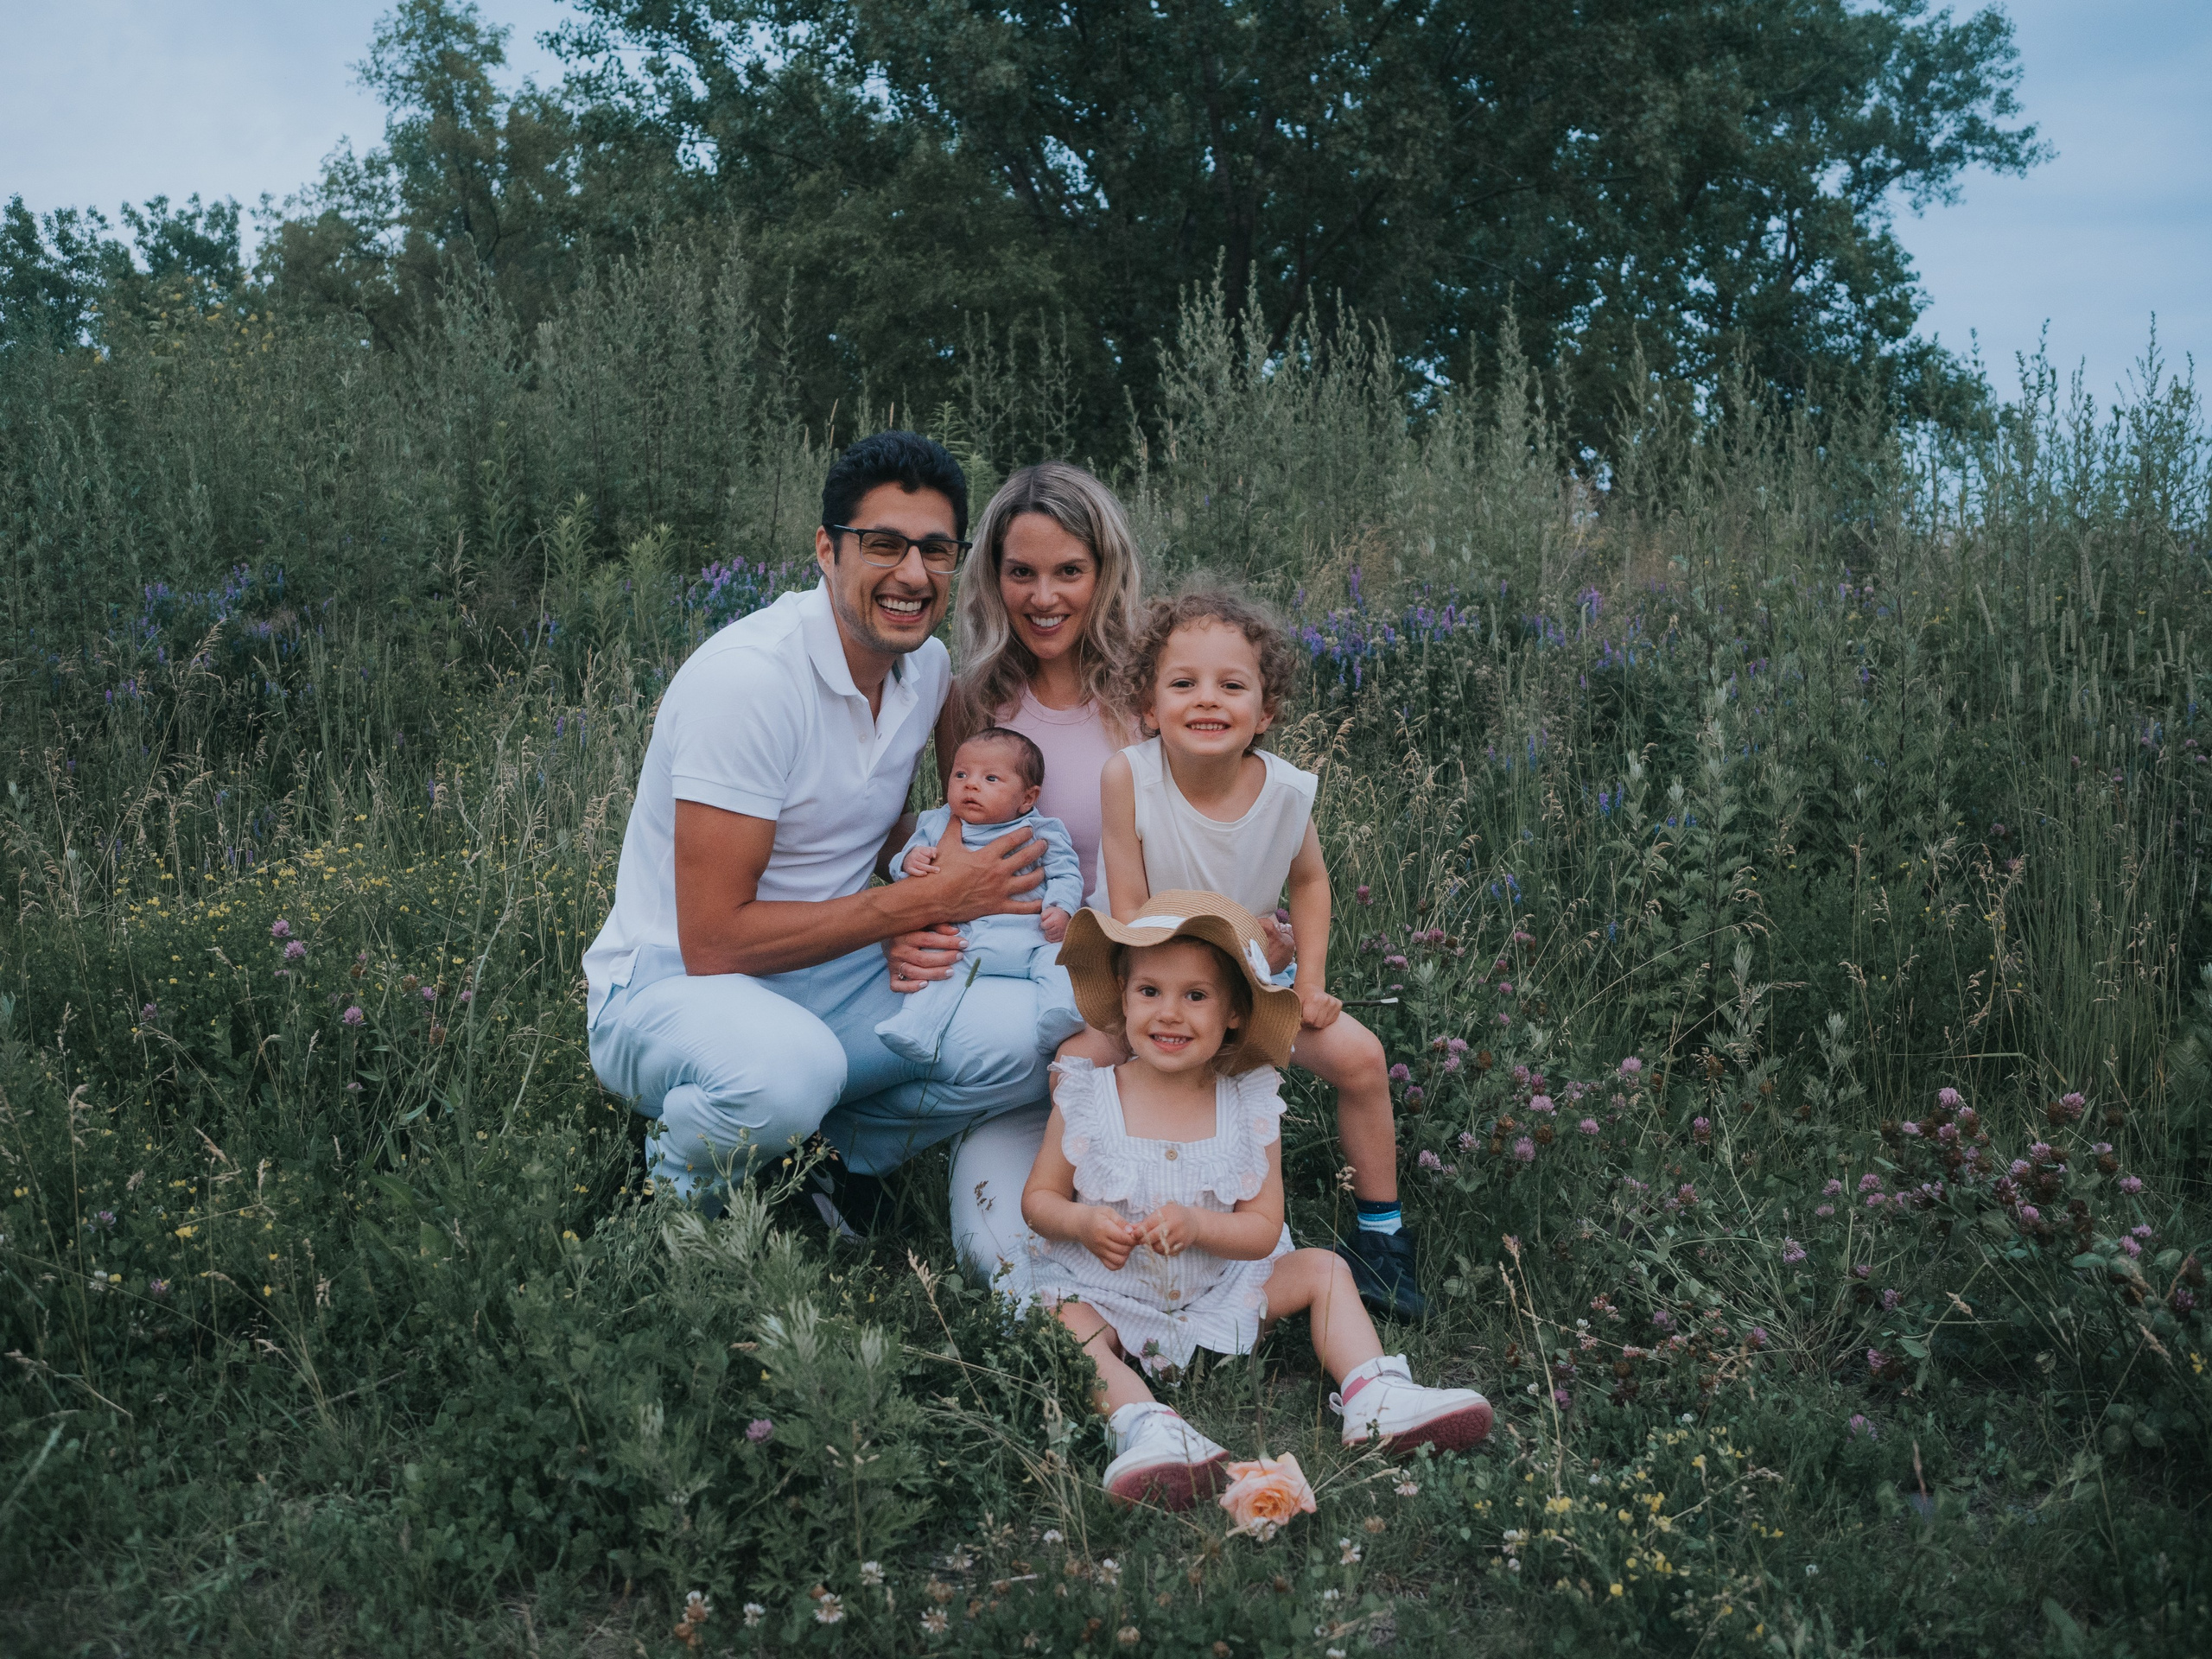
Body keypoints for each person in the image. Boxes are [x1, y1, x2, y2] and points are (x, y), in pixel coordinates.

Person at [582, 431, 1054, 1218]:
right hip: (673, 990)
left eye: (936, 551)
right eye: (882, 545)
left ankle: (825, 1161)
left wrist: (929, 881)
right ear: (826, 551)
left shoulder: (926, 668)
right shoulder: (750, 683)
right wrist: (907, 910)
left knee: (1035, 1032)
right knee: (783, 1073)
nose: (912, 574)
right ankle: (672, 1197)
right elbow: (714, 940)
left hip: (829, 971)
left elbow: (889, 825)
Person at [1021, 893, 1491, 1509]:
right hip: (1113, 1291)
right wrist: (1081, 1221)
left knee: (1325, 1269)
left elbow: (1264, 1229)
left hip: (1224, 1289)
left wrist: (1198, 1225)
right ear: (1121, 994)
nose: (1170, 1014)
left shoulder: (1247, 1101)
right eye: (1150, 992)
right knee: (1062, 1317)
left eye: (1196, 996)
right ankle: (1147, 1426)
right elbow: (1039, 1200)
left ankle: (1375, 1393)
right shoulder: (1088, 1093)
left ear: (1236, 1012)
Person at [1094, 587, 1426, 1318]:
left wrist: (1307, 979)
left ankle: (1383, 1240)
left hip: (1254, 983)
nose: (1207, 700)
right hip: (1148, 979)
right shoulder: (1131, 778)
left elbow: (1309, 882)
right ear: (1149, 706)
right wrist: (1216, 948)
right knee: (1076, 1059)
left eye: (1232, 685)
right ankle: (1085, 1223)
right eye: (1183, 683)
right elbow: (1128, 913)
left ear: (1265, 712)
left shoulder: (1283, 792)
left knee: (1363, 1058)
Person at [880, 462, 1147, 1286]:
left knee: (1171, 1235)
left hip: (1143, 988)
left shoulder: (1150, 692)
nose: (1044, 597)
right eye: (1021, 572)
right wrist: (905, 925)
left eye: (1069, 571)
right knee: (997, 1256)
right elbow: (939, 844)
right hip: (1014, 989)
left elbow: (1216, 826)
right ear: (993, 579)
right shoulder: (970, 701)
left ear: (1104, 573)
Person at [874, 726, 1087, 1062]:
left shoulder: (1042, 830)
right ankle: (917, 1029)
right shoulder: (936, 823)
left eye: (990, 779)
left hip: (1032, 938)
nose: (970, 784)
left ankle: (1057, 1014)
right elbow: (907, 864)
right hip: (964, 940)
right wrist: (909, 860)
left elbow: (1065, 872)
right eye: (961, 774)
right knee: (939, 972)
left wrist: (1061, 907)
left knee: (1058, 963)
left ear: (1027, 799)